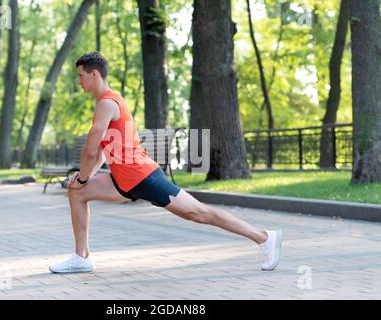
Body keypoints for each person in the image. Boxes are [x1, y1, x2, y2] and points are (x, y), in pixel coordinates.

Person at [49, 52, 282, 274]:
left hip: (143, 177)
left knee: (198, 213)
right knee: (77, 193)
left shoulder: (107, 103)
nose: (78, 81)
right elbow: (100, 150)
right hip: (124, 179)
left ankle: (264, 237)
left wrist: (82, 177)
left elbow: (90, 150)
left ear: (94, 75)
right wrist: (83, 181)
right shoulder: (107, 103)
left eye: (80, 75)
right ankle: (81, 257)